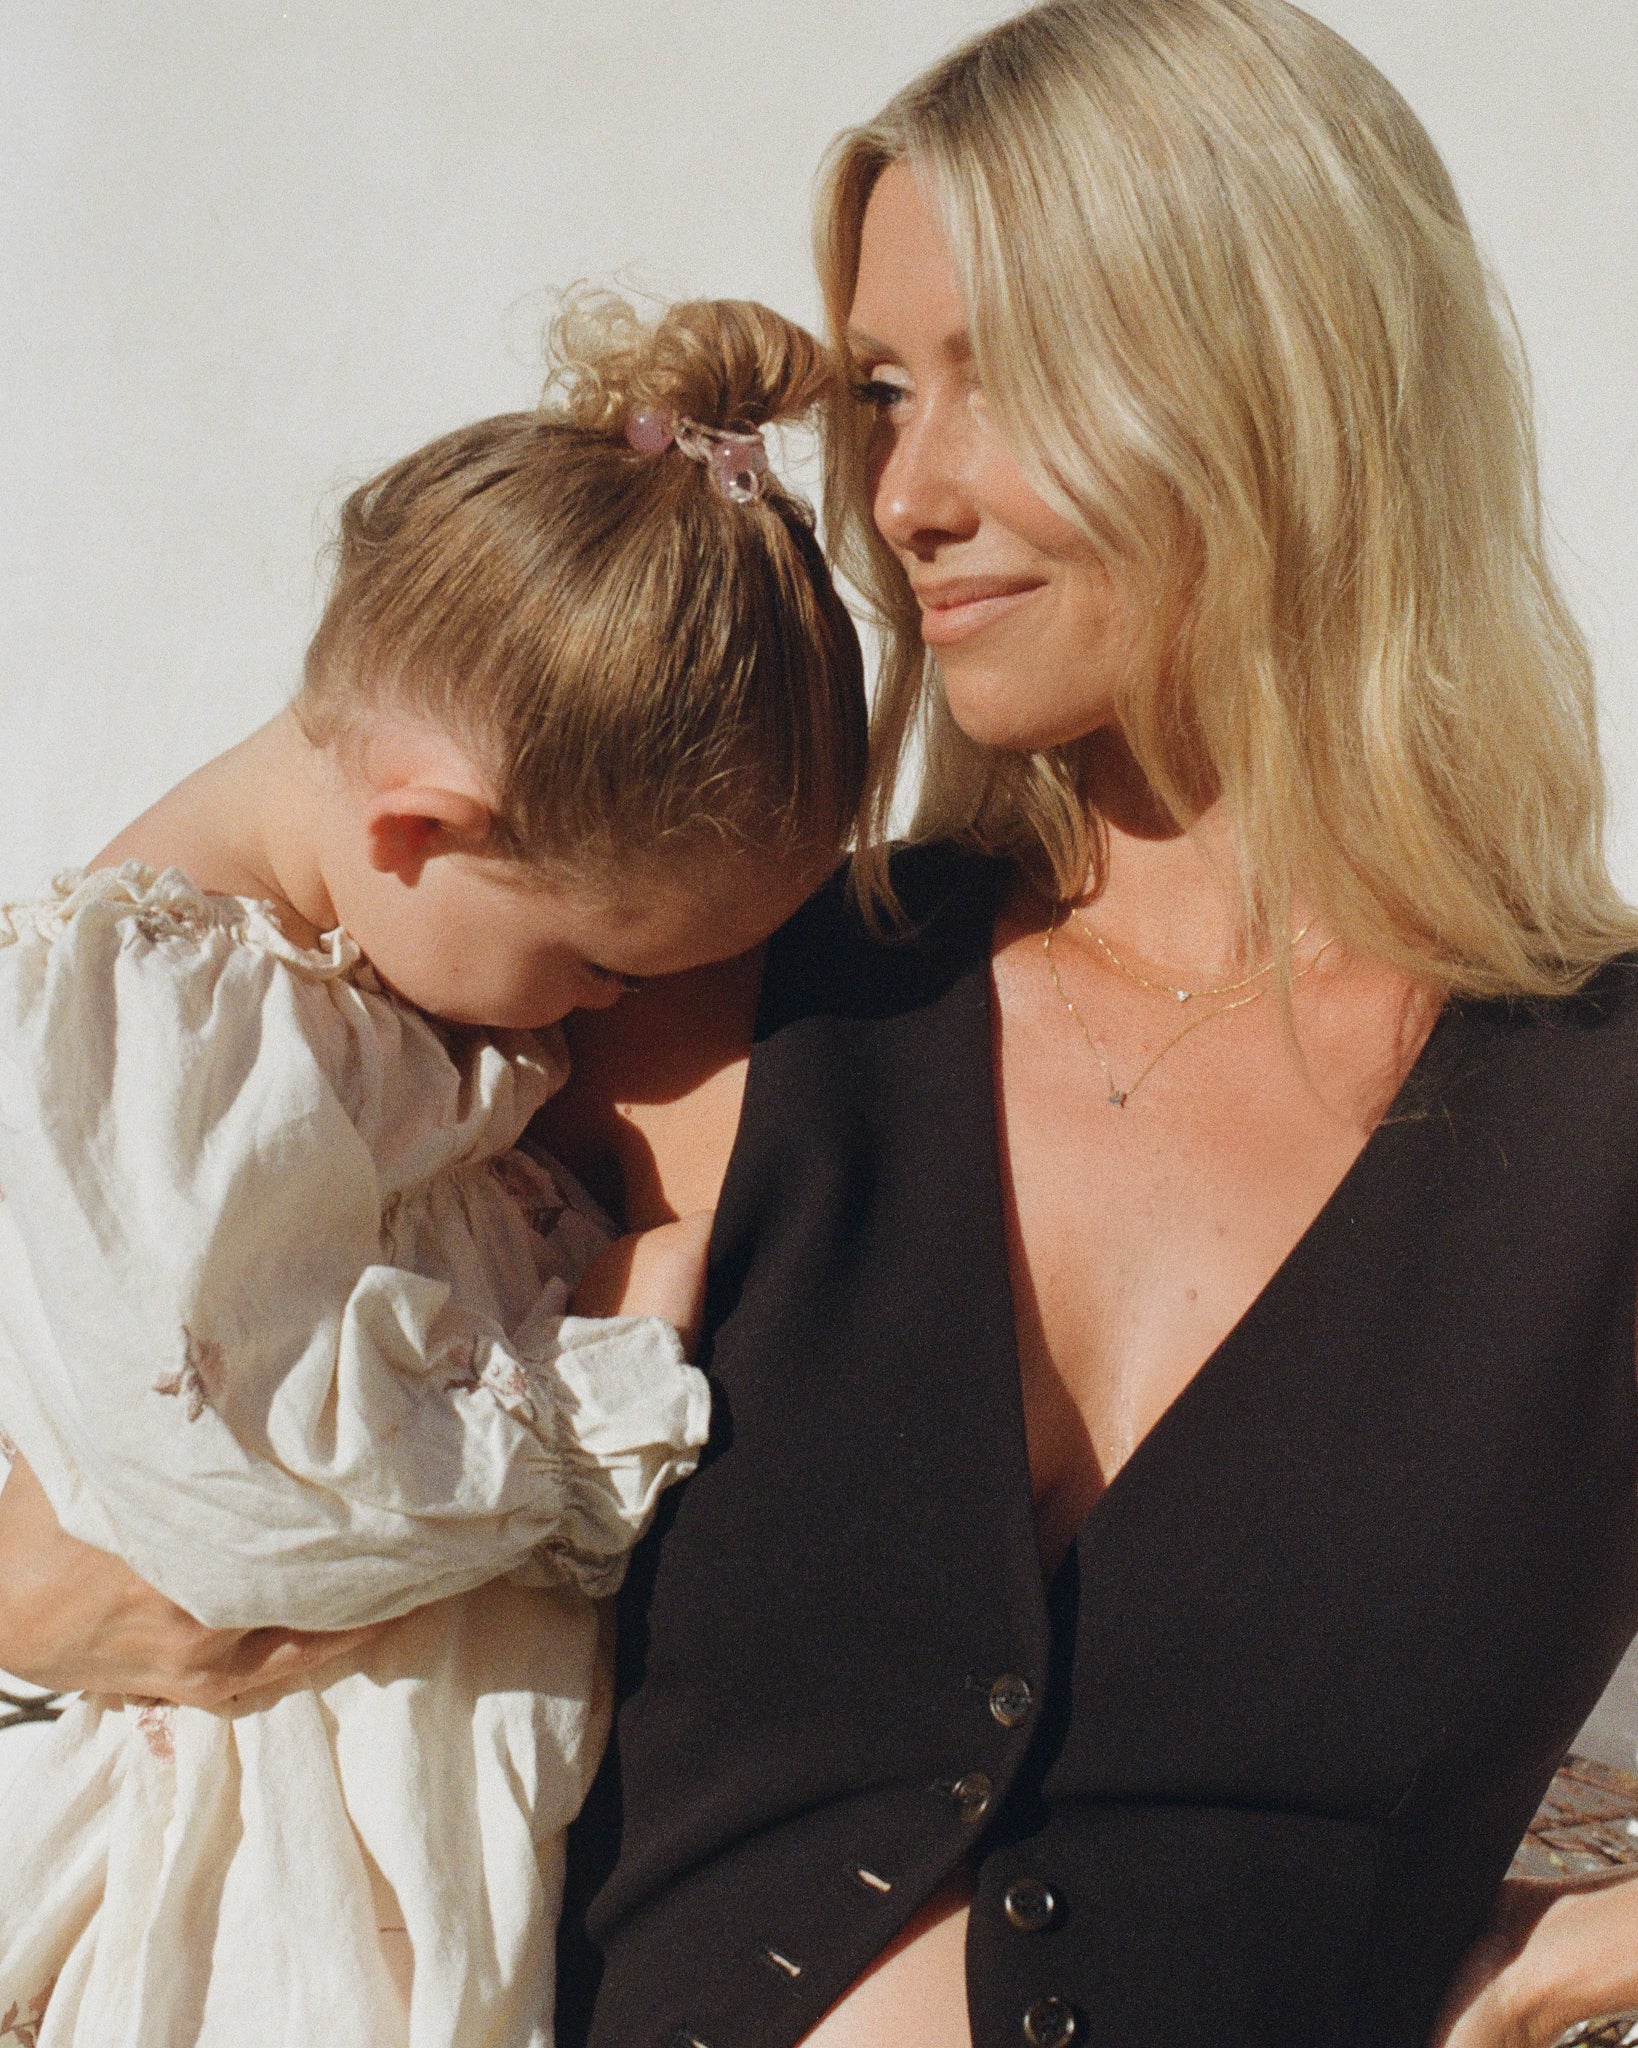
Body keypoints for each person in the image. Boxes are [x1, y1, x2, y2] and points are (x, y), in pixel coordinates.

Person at [3, 2, 1636, 2044]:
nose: (904, 491)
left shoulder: (1602, 1115)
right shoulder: (700, 991)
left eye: (1008, 374)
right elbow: (126, 1091)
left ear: (1291, 379)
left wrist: (1567, 1949)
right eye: (878, 389)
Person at [0, 294, 865, 2048]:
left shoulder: (330, 990)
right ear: (422, 826)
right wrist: (611, 1338)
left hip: (395, 1813)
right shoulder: (167, 1030)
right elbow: (246, 1491)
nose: (600, 1017)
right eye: (600, 963)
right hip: (271, 1861)